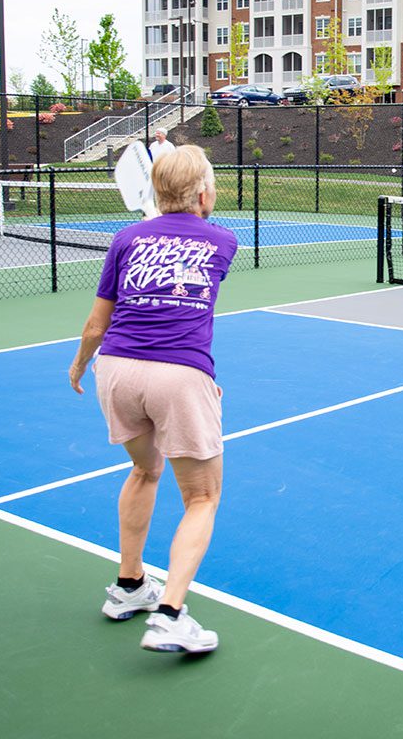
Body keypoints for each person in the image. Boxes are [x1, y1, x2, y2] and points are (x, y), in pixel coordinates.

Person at [69, 145, 238, 653]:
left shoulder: (125, 239)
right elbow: (182, 306)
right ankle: (169, 614)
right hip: (178, 375)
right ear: (203, 193)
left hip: (116, 371)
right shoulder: (223, 241)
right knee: (202, 498)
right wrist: (193, 380)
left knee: (144, 470)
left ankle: (129, 586)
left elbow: (97, 323)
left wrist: (79, 364)